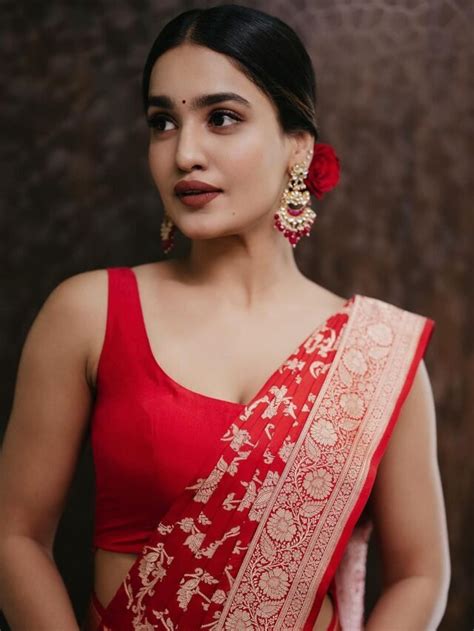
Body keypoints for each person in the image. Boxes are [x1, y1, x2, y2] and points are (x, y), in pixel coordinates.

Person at [0, 4, 450, 630]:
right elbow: (13, 536)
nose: (185, 152)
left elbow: (420, 574)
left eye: (222, 118)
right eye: (162, 122)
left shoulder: (378, 353)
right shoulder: (89, 313)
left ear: (298, 145)